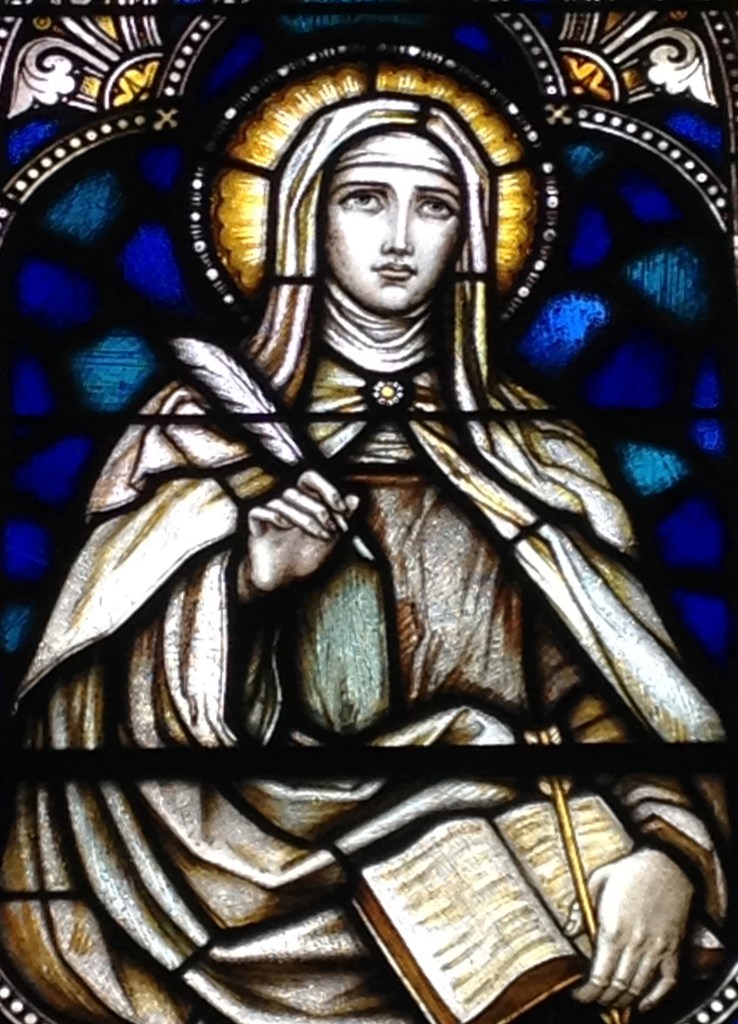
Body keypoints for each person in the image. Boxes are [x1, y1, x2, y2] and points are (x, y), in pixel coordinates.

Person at [0, 93, 728, 1024]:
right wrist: (243, 585)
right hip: (223, 903)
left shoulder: (534, 456)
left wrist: (667, 849)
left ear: (472, 236)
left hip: (509, 905)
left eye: (435, 206)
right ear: (305, 217)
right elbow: (85, 713)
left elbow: (606, 694)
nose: (398, 237)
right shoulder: (193, 435)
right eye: (365, 199)